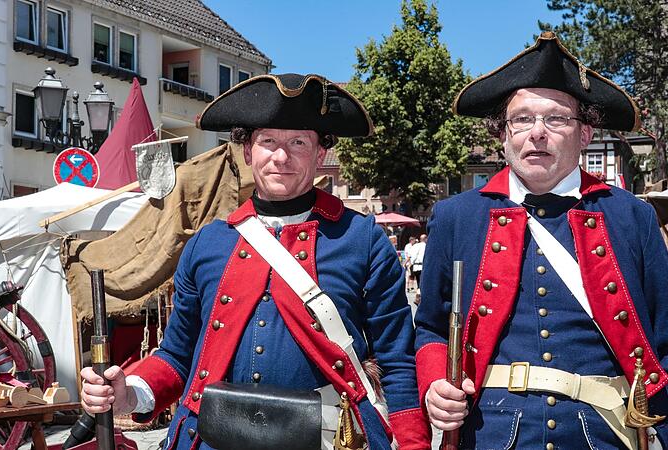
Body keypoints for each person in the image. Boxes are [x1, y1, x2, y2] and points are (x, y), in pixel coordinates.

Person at [80, 73, 430, 450]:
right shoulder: (207, 243)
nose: (281, 156)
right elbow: (177, 355)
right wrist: (130, 390)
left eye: (298, 142)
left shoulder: (362, 240)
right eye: (268, 142)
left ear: (320, 153)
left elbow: (397, 362)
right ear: (248, 152)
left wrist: (413, 444)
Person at [415, 32, 668, 449]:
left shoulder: (631, 216)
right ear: (503, 135)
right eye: (521, 119)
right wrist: (435, 384)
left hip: (605, 433)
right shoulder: (456, 217)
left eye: (556, 119)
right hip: (492, 435)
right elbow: (430, 326)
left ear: (586, 134)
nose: (536, 133)